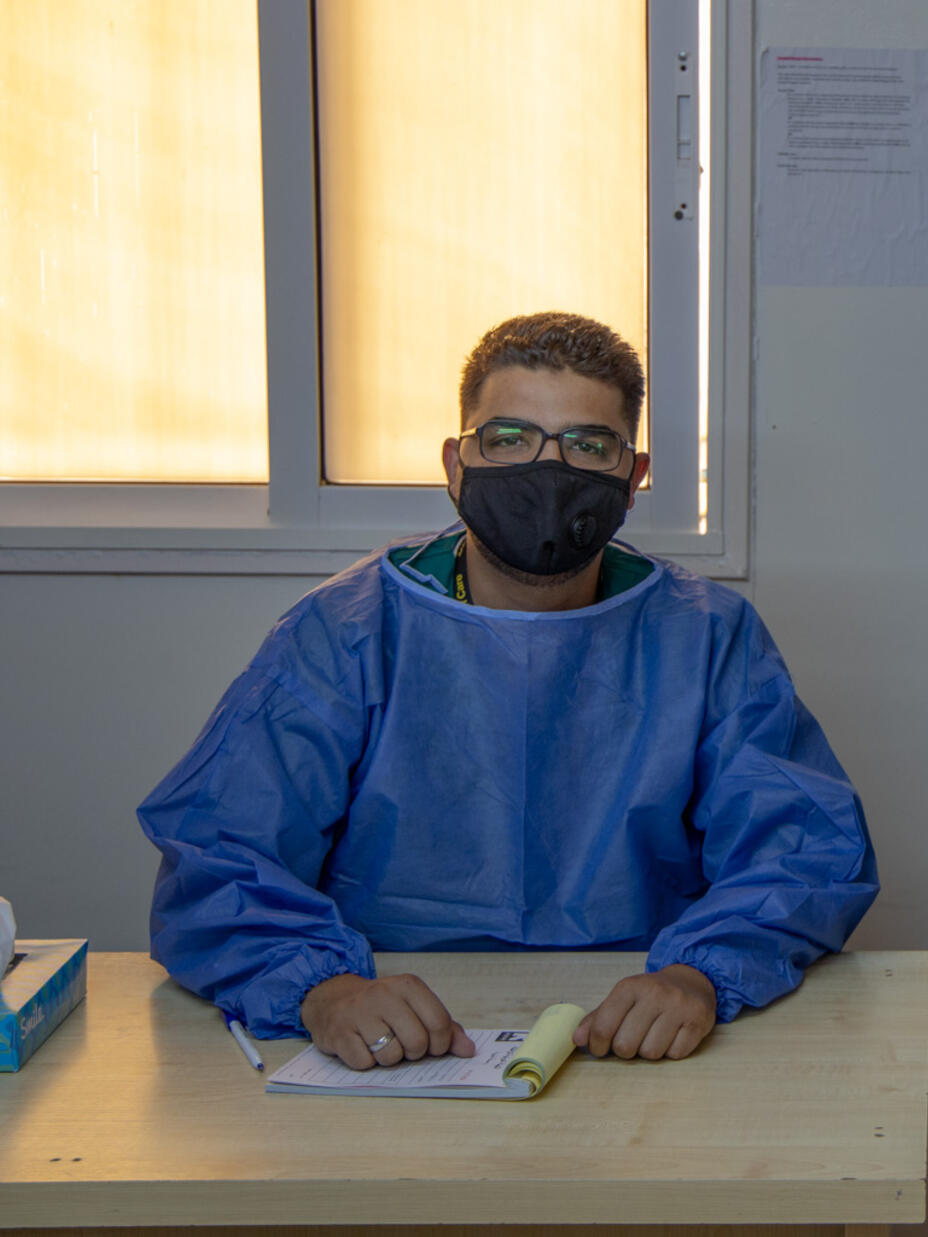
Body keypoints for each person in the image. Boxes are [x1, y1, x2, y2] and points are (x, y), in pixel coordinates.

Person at [138, 311, 878, 1071]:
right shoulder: (347, 631)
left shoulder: (708, 637)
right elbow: (217, 855)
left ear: (635, 473)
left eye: (588, 445)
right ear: (456, 464)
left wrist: (698, 975)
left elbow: (804, 854)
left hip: (630, 1027)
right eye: (510, 438)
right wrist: (321, 989)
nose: (546, 472)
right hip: (389, 1024)